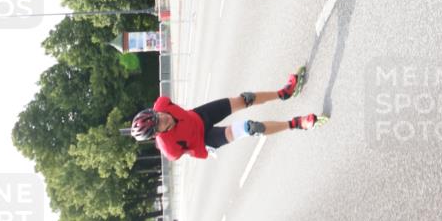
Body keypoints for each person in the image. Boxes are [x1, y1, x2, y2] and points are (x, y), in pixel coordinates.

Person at [130, 71, 322, 160]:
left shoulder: (162, 103)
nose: (164, 117)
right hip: (204, 141)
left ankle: (284, 93)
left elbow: (168, 111)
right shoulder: (169, 149)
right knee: (251, 127)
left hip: (198, 116)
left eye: (158, 115)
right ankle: (296, 124)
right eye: (160, 123)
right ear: (157, 134)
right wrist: (201, 148)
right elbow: (186, 152)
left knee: (245, 98)